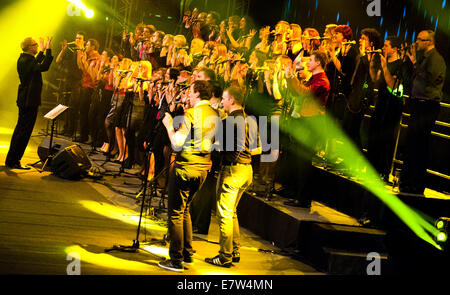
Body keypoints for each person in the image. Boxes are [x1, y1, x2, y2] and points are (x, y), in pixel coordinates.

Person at [158, 80, 220, 272]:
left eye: (190, 93)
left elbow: (177, 142)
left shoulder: (192, 114)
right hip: (202, 169)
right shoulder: (215, 114)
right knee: (185, 210)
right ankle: (187, 253)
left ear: (198, 94)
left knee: (175, 213)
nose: (188, 97)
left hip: (185, 167)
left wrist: (168, 125)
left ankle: (176, 259)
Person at [205, 86, 261, 267]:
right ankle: (234, 250)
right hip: (247, 171)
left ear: (232, 100)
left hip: (232, 171)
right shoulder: (249, 120)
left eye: (223, 98)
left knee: (224, 215)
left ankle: (225, 256)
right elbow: (257, 149)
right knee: (232, 212)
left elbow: (220, 147)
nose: (221, 102)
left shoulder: (230, 121)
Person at [399, 30, 446, 195]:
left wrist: (414, 64)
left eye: (420, 39)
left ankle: (416, 183)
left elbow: (431, 79)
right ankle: (407, 181)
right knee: (411, 143)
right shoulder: (423, 59)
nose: (416, 42)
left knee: (419, 145)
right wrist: (411, 63)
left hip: (427, 106)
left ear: (429, 41)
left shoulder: (436, 59)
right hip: (418, 103)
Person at [283, 50, 330, 207]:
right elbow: (296, 92)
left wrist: (292, 77)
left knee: (304, 161)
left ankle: (303, 198)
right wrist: (289, 78)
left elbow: (305, 93)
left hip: (313, 123)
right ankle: (296, 193)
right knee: (299, 159)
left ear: (318, 63)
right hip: (305, 121)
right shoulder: (313, 79)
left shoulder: (322, 81)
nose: (307, 63)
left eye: (310, 60)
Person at [5, 36, 53, 169]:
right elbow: (44, 66)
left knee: (21, 130)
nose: (37, 46)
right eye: (35, 44)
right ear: (29, 47)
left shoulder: (26, 59)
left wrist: (42, 51)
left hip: (26, 99)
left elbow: (35, 64)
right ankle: (14, 160)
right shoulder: (26, 60)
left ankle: (12, 159)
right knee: (24, 132)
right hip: (28, 100)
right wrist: (48, 49)